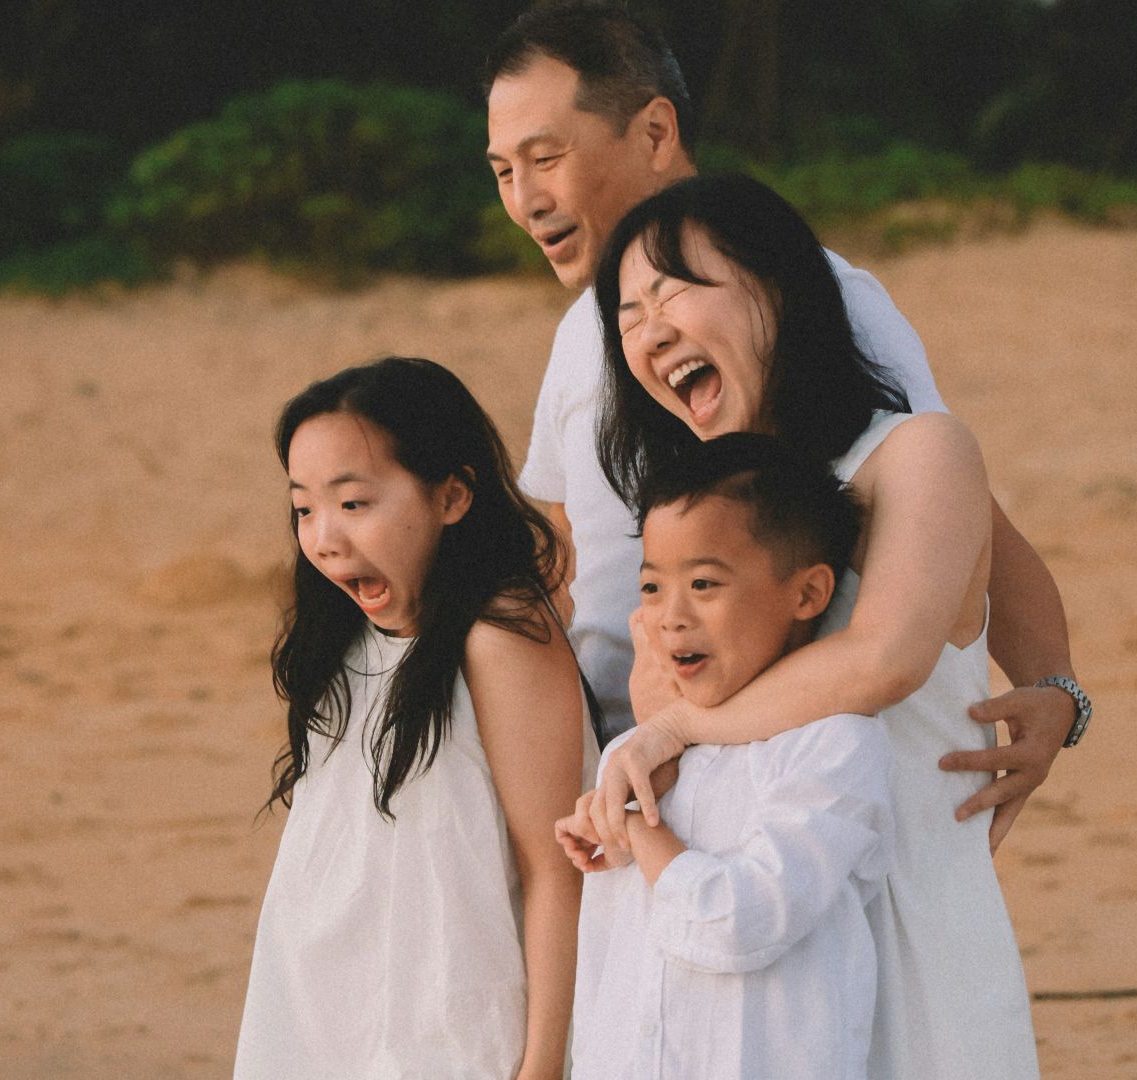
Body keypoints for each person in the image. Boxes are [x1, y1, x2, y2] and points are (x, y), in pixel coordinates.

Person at [483, 0, 1091, 848]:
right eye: (503, 172)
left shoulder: (817, 299)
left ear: (656, 133)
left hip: (786, 775)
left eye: (546, 159)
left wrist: (1056, 688)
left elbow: (956, 518)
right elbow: (568, 555)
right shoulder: (584, 336)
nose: (526, 200)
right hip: (626, 784)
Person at [593, 172, 1040, 1078]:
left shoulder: (918, 453)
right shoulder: (692, 523)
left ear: (778, 287)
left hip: (906, 934)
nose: (648, 330)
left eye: (672, 289)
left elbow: (882, 660)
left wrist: (1062, 690)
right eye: (628, 315)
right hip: (743, 965)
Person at [234, 357, 596, 1080]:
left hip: (456, 1027)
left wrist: (542, 1068)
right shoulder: (342, 637)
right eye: (304, 507)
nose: (324, 538)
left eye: (354, 503)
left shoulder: (499, 638)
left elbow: (557, 872)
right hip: (323, 1009)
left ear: (453, 496)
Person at [556, 434, 894, 1079]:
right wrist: (601, 824)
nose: (669, 617)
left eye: (704, 583)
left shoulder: (835, 746)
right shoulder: (637, 752)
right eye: (652, 587)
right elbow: (610, 963)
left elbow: (740, 920)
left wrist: (633, 827)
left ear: (808, 594)